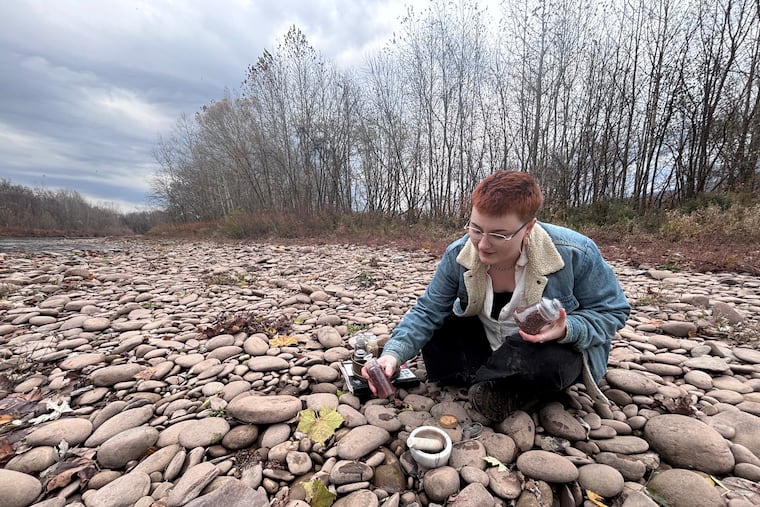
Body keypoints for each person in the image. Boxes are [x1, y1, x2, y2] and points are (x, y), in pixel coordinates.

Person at [368, 170, 630, 422]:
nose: (482, 244)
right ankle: (493, 381)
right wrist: (392, 355)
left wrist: (567, 329)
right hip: (486, 340)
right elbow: (428, 311)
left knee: (550, 362)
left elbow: (613, 312)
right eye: (476, 229)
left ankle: (495, 385)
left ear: (528, 228)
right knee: (441, 327)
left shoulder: (576, 252)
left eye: (499, 235)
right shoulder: (458, 254)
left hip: (543, 350)